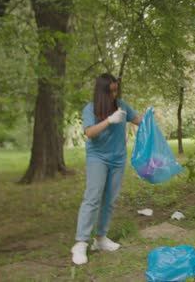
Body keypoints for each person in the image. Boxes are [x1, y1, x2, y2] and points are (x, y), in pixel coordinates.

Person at [71, 73, 143, 265]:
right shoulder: (91, 108)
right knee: (93, 197)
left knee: (109, 200)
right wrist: (109, 120)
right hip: (97, 158)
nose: (114, 94)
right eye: (111, 91)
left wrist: (149, 118)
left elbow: (139, 120)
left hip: (118, 159)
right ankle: (80, 243)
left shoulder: (122, 105)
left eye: (116, 89)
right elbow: (89, 133)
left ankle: (101, 238)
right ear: (102, 91)